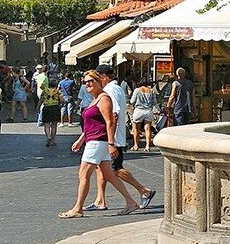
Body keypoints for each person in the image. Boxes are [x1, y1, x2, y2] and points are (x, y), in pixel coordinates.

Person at [58, 70, 140, 218]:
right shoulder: (95, 99)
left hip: (98, 142)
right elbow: (92, 124)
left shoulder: (103, 99)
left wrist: (111, 144)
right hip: (95, 140)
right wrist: (81, 139)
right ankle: (131, 202)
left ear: (99, 81)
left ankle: (78, 208)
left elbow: (110, 122)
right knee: (110, 175)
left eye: (91, 81)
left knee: (83, 174)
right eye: (85, 82)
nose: (88, 84)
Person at [86, 65, 156, 212]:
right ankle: (100, 200)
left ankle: (144, 190)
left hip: (112, 138)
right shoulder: (115, 89)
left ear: (104, 77)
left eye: (97, 78)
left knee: (115, 169)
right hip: (112, 137)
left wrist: (111, 140)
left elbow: (114, 115)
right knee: (102, 168)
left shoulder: (110, 91)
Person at [128, 81, 158, 151]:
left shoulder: (137, 90)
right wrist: (159, 110)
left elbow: (132, 101)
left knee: (136, 129)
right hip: (148, 111)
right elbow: (155, 102)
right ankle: (147, 146)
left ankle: (136, 145)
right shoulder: (151, 91)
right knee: (148, 129)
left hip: (138, 111)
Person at [41, 76, 62, 147]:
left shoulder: (44, 91)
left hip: (46, 108)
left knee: (46, 124)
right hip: (55, 108)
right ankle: (52, 141)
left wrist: (38, 107)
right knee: (54, 125)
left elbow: (41, 99)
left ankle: (48, 137)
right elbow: (61, 100)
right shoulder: (58, 91)